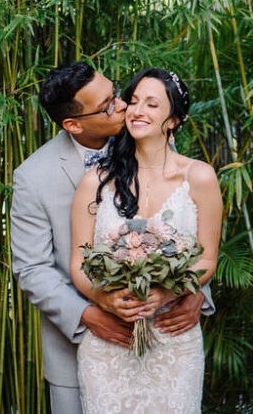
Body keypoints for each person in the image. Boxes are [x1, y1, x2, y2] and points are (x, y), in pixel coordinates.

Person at [11, 62, 207, 413]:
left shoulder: (147, 133)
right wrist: (90, 313)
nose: (123, 106)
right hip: (83, 348)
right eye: (107, 106)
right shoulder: (34, 176)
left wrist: (194, 291)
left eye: (116, 94)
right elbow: (32, 269)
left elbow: (186, 224)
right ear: (73, 124)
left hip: (165, 337)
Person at [69, 68, 223, 414]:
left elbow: (207, 260)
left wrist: (167, 292)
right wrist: (106, 299)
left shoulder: (199, 177)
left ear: (174, 120)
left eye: (152, 104)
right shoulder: (95, 180)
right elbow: (78, 263)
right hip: (110, 343)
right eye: (134, 101)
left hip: (173, 338)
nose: (137, 111)